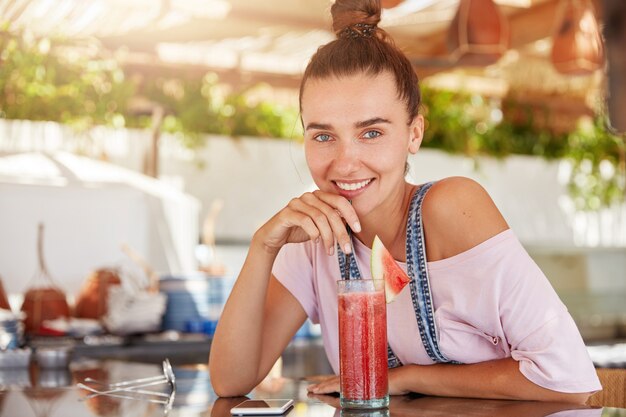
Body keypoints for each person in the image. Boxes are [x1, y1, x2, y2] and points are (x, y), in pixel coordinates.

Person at [209, 0, 601, 403]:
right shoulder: (313, 237)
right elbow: (231, 381)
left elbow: (569, 381)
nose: (345, 163)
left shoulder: (452, 209)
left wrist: (407, 377)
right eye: (323, 136)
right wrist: (264, 246)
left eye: (371, 133)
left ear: (414, 133)